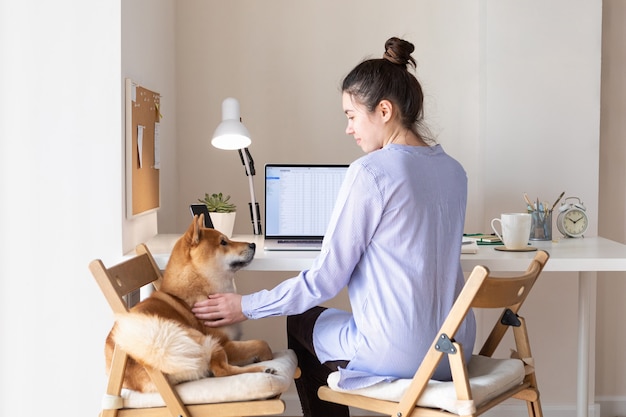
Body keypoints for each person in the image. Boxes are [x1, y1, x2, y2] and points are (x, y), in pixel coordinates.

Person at [192, 36, 476, 417]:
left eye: (351, 116)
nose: (348, 128)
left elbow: (325, 280)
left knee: (300, 321)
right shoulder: (454, 171)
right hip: (456, 350)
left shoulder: (371, 172)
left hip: (403, 355)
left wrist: (246, 305)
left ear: (385, 111)